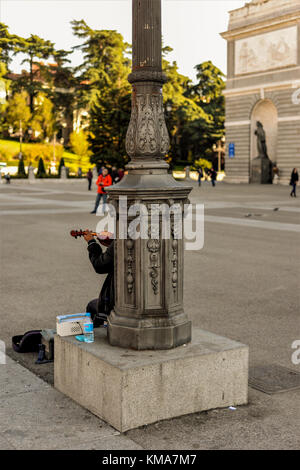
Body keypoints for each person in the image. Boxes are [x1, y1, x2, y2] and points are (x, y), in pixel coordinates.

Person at [83, 230, 114, 326]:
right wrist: (112, 242)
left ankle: (96, 335)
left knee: (92, 306)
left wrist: (91, 243)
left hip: (119, 303)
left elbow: (100, 265)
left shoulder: (121, 241)